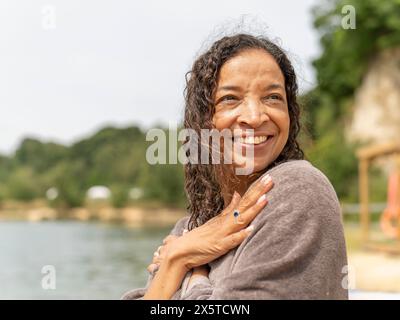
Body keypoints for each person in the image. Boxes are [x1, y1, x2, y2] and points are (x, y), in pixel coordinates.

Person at [122, 33, 348, 300]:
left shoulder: (297, 189)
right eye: (231, 98)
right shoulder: (190, 229)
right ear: (204, 120)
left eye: (273, 97)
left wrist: (193, 274)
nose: (254, 117)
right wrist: (176, 258)